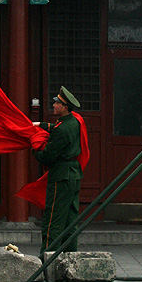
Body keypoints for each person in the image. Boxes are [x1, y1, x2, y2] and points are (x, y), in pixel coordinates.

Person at [32, 86, 83, 259]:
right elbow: (57, 128)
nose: (53, 105)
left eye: (57, 103)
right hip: (73, 175)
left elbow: (47, 156)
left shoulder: (62, 129)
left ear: (65, 107)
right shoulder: (74, 122)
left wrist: (34, 147)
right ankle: (70, 260)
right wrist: (42, 125)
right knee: (70, 221)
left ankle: (47, 261)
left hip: (61, 177)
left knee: (52, 221)